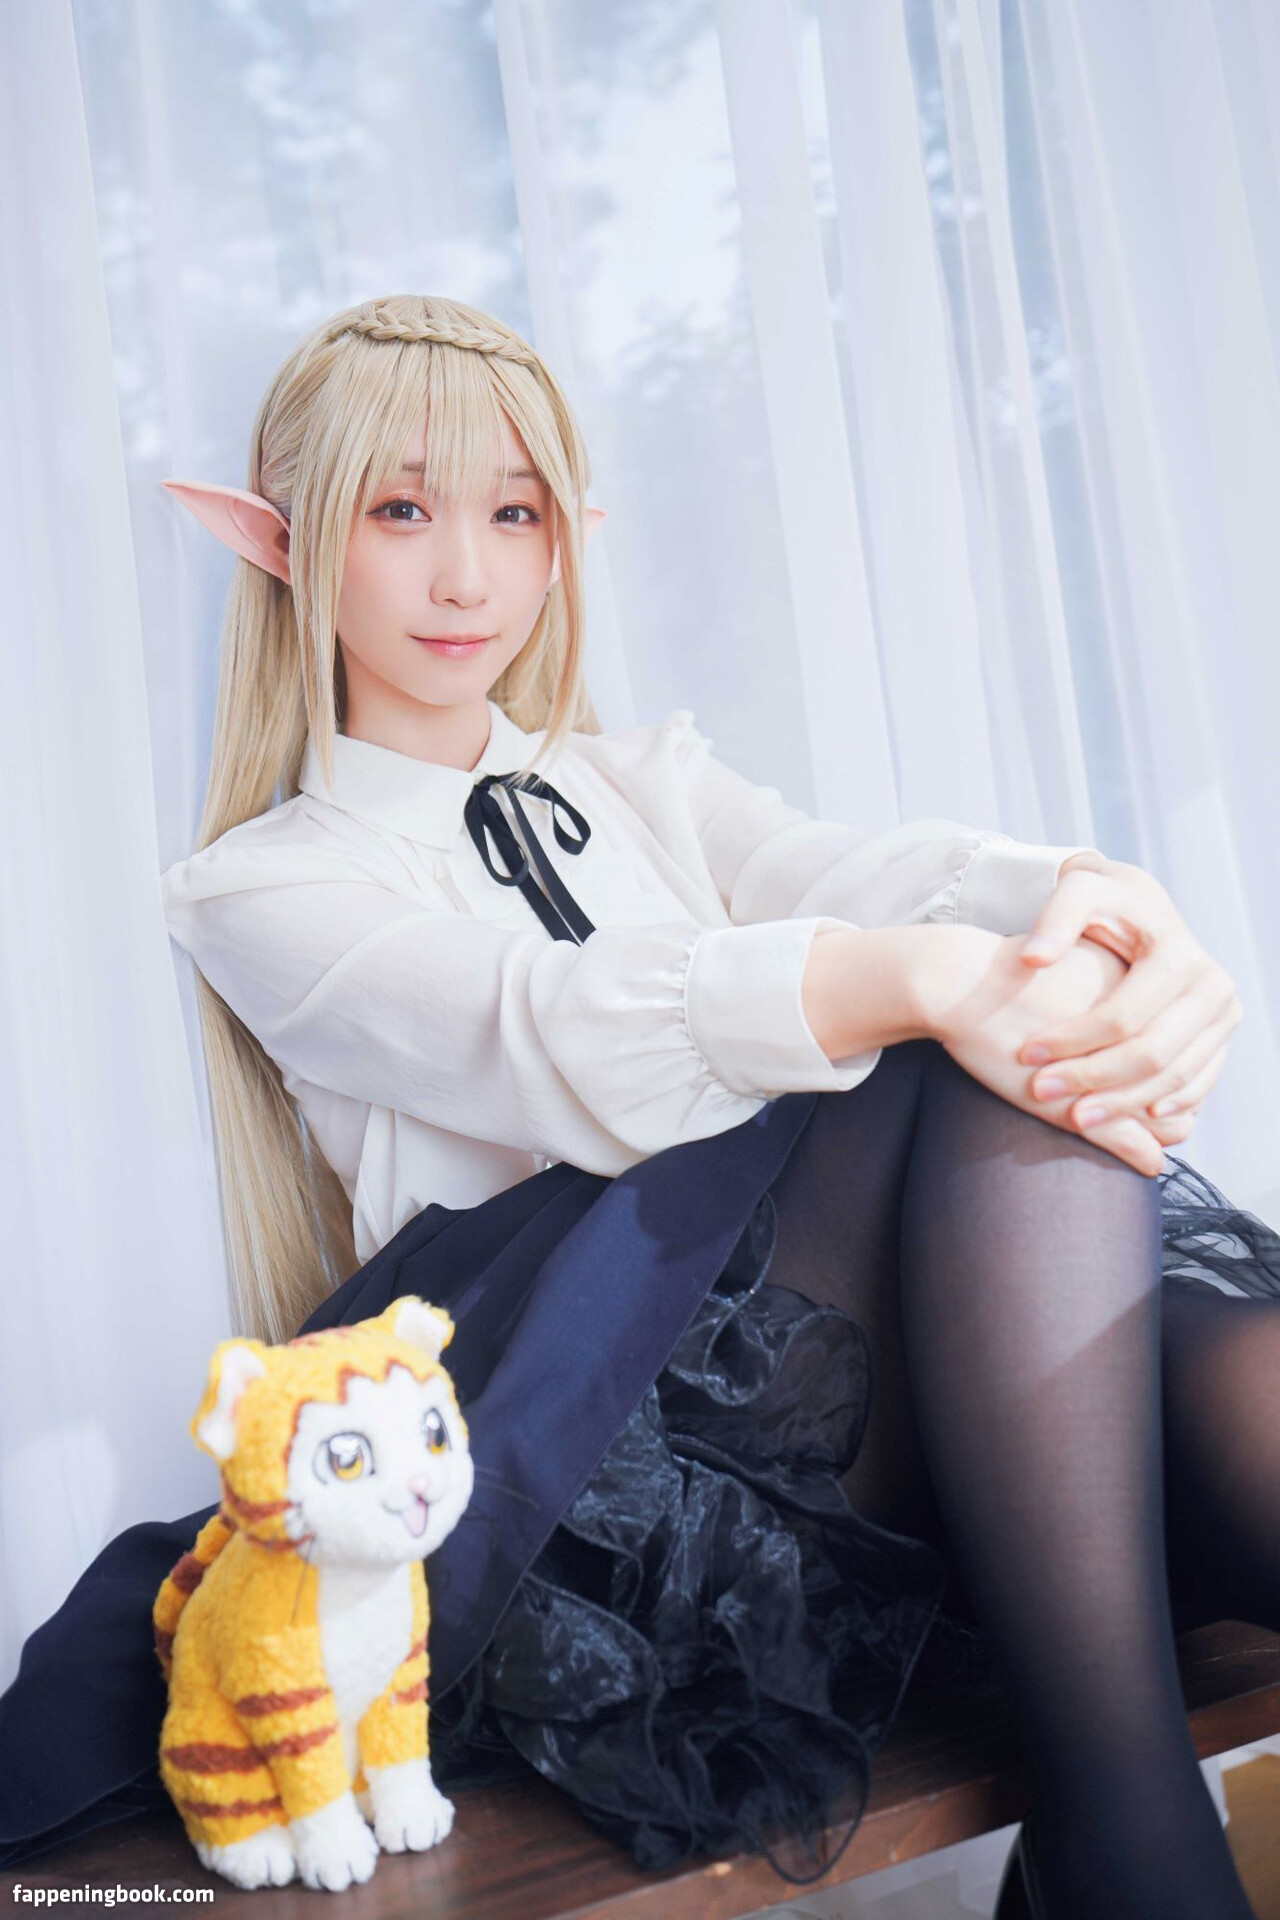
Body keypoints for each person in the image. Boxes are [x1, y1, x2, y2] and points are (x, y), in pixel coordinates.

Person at [2, 294, 1278, 1919]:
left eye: (513, 515)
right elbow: (553, 1032)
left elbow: (857, 868)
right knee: (927, 1052)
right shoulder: (264, 886)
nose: (466, 576)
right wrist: (925, 976)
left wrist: (1096, 900)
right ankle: (1133, 1845)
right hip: (598, 1459)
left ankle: (1116, 1849)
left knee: (1235, 1378)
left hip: (880, 1401)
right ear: (279, 540)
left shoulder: (640, 778)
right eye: (400, 511)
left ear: (567, 542)